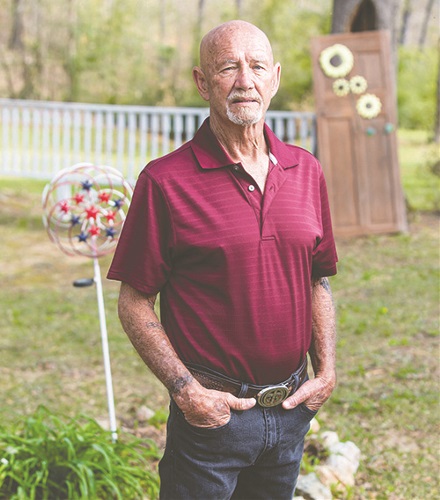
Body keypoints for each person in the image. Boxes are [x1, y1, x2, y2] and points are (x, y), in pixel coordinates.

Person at [108, 20, 338, 500]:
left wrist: (327, 371)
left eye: (256, 67)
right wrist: (186, 391)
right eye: (228, 67)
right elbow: (133, 301)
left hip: (292, 406)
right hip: (212, 419)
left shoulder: (305, 169)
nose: (244, 81)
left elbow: (318, 280)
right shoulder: (165, 181)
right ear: (202, 81)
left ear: (273, 78)